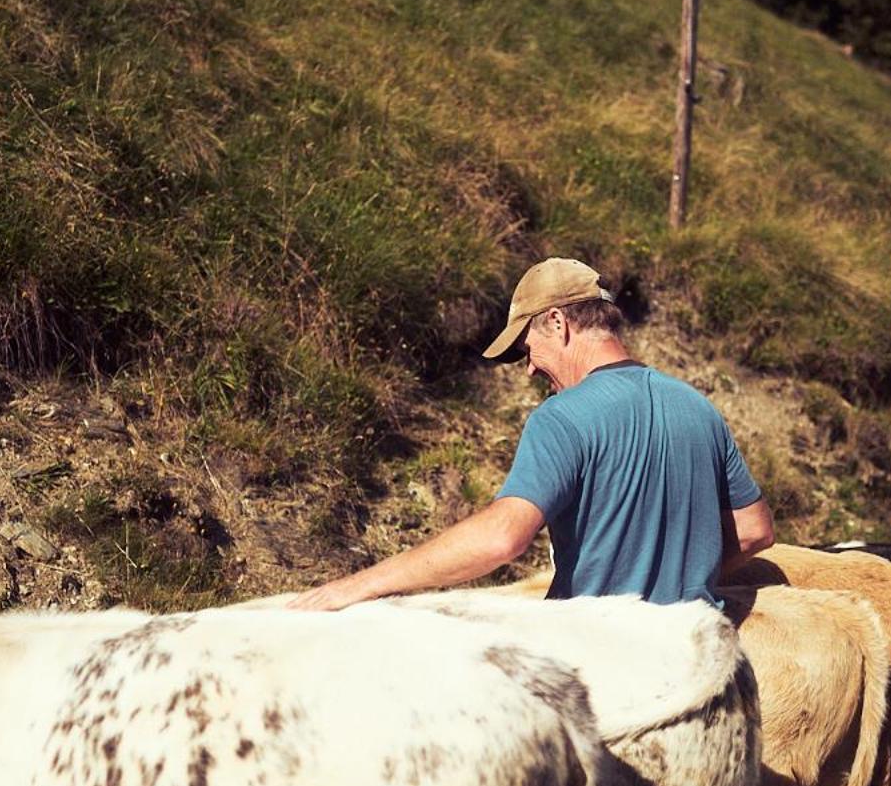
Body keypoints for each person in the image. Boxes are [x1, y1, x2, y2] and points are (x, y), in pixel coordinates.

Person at [289, 258, 774, 612]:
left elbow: (502, 539)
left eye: (527, 347)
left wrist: (356, 587)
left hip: (606, 669)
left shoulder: (562, 418)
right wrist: (683, 582)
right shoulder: (697, 406)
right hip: (698, 665)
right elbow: (755, 531)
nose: (528, 369)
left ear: (558, 323)